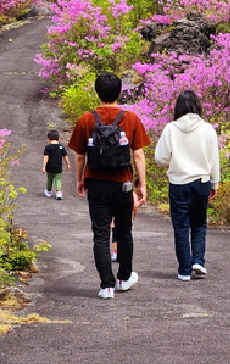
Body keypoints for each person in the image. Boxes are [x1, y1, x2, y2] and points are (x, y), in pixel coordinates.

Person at [68, 72, 150, 299]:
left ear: (97, 92)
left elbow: (79, 156)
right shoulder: (131, 118)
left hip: (97, 185)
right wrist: (141, 185)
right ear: (120, 91)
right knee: (124, 232)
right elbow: (139, 155)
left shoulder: (86, 119)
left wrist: (80, 179)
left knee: (101, 235)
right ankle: (124, 277)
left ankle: (106, 286)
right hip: (123, 184)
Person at [154, 90, 220, 282]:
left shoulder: (171, 129)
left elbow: (160, 159)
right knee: (199, 224)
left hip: (178, 183)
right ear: (197, 106)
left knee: (181, 227)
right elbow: (214, 159)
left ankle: (184, 270)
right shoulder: (208, 129)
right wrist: (214, 183)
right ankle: (198, 261)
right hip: (201, 182)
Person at [43, 129, 70, 200]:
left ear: (49, 138)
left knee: (49, 179)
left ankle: (48, 191)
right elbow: (65, 156)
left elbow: (46, 158)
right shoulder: (61, 147)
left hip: (50, 167)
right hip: (58, 167)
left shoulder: (48, 147)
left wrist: (43, 167)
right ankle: (58, 192)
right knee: (58, 179)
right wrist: (68, 164)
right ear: (59, 139)